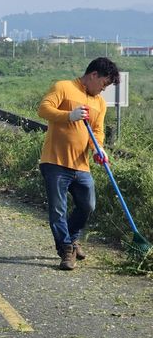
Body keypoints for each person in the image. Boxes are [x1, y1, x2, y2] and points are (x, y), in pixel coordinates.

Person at [37, 57, 119, 271]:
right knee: (58, 209)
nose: (103, 90)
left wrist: (98, 149)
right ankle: (65, 250)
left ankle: (72, 239)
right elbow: (43, 109)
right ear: (93, 75)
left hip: (81, 165)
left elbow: (97, 131)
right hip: (54, 162)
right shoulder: (63, 87)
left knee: (88, 205)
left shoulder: (99, 103)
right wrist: (69, 115)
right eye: (103, 84)